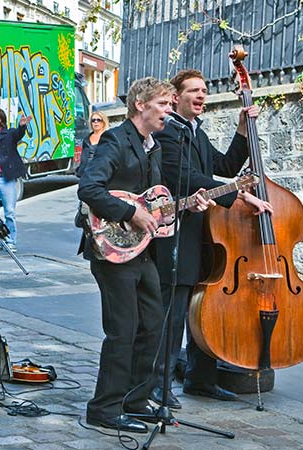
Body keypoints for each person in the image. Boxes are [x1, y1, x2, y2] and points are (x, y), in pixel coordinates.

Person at [78, 77, 211, 433]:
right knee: (123, 330)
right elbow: (89, 188)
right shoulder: (115, 140)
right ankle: (104, 408)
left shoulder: (151, 146)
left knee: (154, 324)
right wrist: (129, 214)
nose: (169, 112)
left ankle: (135, 400)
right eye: (164, 105)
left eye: (170, 104)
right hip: (111, 250)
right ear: (141, 105)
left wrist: (185, 206)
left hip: (140, 250)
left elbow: (152, 205)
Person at [150, 69, 273, 408]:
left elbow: (226, 164)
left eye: (204, 90)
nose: (202, 96)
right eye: (194, 91)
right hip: (178, 238)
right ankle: (159, 386)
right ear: (176, 97)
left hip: (204, 236)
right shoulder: (169, 134)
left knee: (201, 313)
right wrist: (237, 195)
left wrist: (242, 129)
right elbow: (184, 177)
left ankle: (200, 379)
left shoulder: (195, 133)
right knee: (173, 315)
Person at [0, 109, 32, 252]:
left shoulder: (8, 134)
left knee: (9, 212)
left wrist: (22, 126)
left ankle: (10, 240)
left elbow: (18, 134)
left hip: (6, 179)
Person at [76, 110, 110, 178]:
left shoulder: (109, 137)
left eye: (98, 120)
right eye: (93, 120)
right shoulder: (86, 139)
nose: (96, 122)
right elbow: (84, 158)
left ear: (103, 122)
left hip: (102, 173)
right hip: (87, 173)